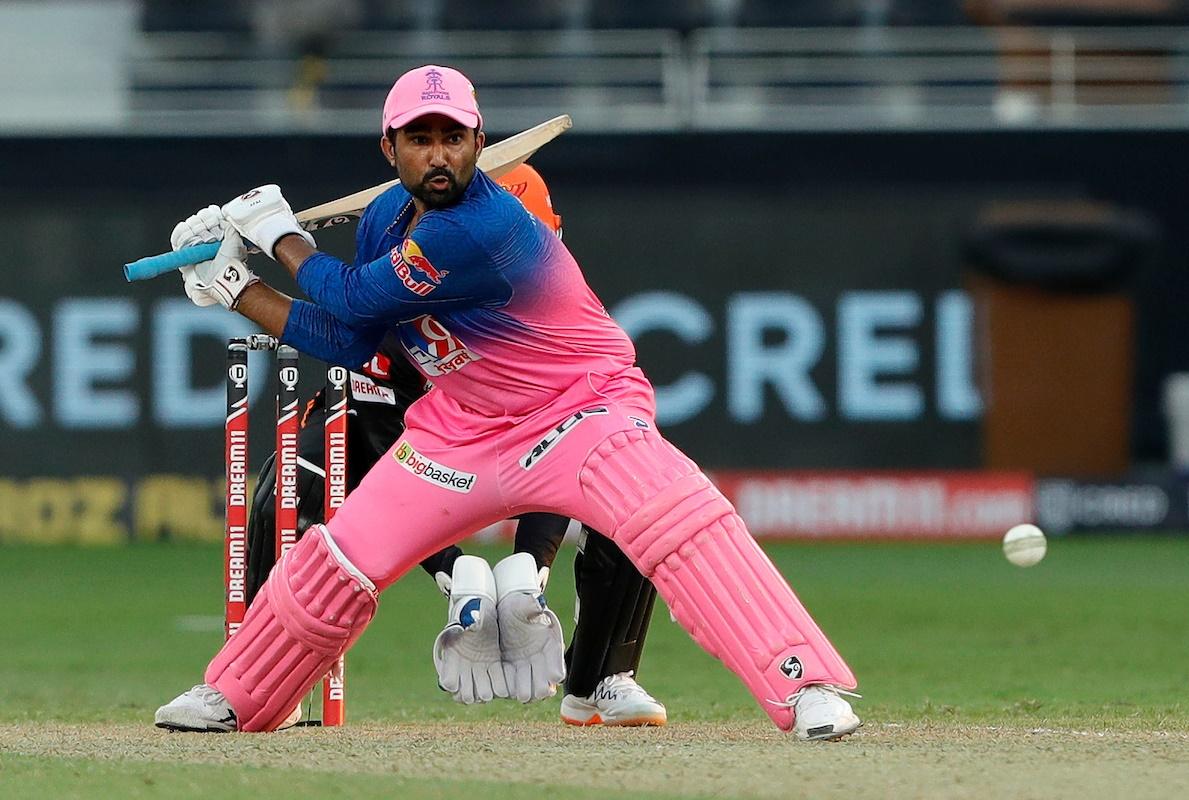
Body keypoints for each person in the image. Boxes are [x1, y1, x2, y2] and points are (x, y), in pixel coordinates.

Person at [154, 64, 860, 740]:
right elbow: (346, 335)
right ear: (389, 147)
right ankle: (237, 695)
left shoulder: (482, 227)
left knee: (677, 519)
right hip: (457, 429)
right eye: (421, 139)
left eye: (453, 138)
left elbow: (345, 292)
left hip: (578, 411)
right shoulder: (382, 227)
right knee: (338, 558)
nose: (439, 155)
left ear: (478, 144)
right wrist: (235, 289)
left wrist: (280, 234)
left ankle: (803, 686)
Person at [243, 163, 665, 725]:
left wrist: (528, 570)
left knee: (639, 486)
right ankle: (269, 679)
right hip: (409, 435)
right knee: (295, 478)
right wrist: (452, 568)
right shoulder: (417, 277)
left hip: (528, 441)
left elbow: (558, 443)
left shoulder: (554, 312)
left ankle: (600, 679)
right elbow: (373, 405)